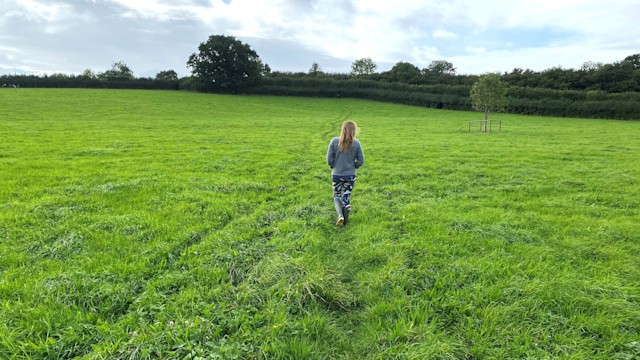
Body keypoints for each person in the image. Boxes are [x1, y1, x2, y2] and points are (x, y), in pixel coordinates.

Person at [326, 120, 365, 227]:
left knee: (337, 195)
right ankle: (346, 221)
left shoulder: (334, 141)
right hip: (350, 175)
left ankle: (340, 216)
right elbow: (361, 160)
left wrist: (333, 166)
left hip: (336, 175)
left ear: (342, 129)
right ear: (354, 131)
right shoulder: (356, 143)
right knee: (346, 196)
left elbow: (329, 159)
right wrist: (354, 166)